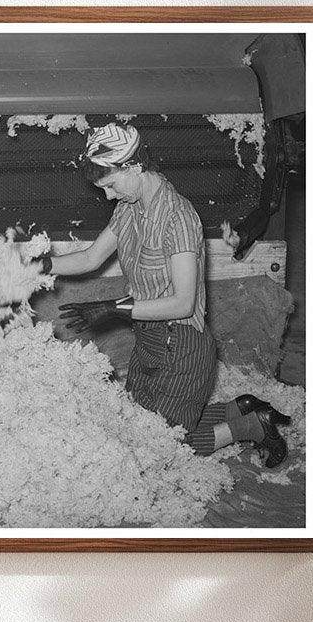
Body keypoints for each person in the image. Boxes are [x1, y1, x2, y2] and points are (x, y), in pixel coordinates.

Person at [47, 123, 290, 467]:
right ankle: (241, 407)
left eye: (111, 185)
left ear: (134, 167)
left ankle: (251, 426)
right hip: (149, 341)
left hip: (182, 349)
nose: (109, 196)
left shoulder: (179, 219)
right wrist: (41, 266)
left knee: (158, 448)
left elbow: (183, 302)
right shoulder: (130, 207)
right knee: (136, 425)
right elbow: (91, 257)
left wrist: (113, 308)